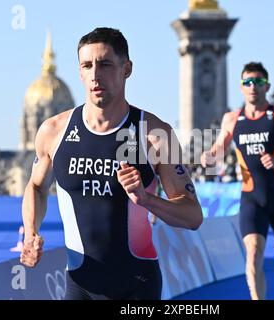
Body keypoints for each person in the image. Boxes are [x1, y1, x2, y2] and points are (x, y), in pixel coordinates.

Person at [19, 27, 203, 300]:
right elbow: (36, 187)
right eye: (87, 65)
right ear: (79, 72)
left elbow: (192, 217)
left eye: (105, 64)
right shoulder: (53, 131)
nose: (95, 75)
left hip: (137, 285)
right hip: (79, 285)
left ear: (126, 68)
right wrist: (31, 232)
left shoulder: (153, 134)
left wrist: (146, 200)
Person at [201, 62, 274, 300]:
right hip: (252, 198)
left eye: (258, 82)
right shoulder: (232, 119)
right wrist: (209, 156)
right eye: (248, 82)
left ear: (267, 86)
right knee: (253, 253)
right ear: (241, 87)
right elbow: (218, 150)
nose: (253, 86)